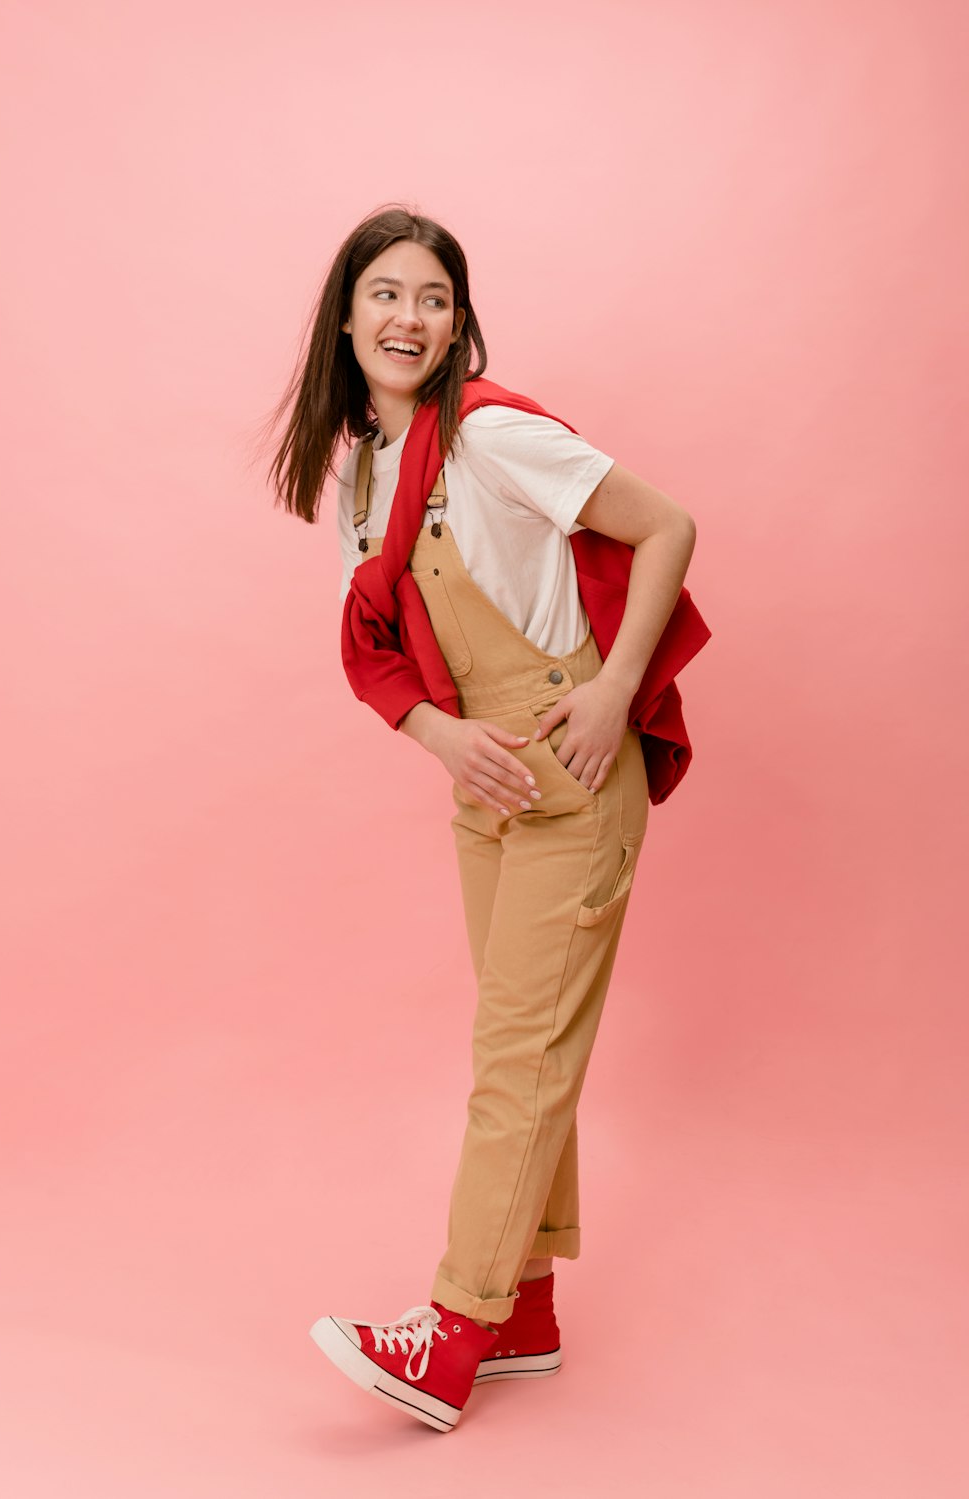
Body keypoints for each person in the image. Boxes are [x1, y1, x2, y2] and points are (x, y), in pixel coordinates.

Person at [265, 205, 700, 1433]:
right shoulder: (364, 469)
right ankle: (528, 1312)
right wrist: (443, 738)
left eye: (435, 297)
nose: (411, 317)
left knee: (519, 1055)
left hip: (567, 766)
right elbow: (382, 644)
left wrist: (616, 690)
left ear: (460, 320)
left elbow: (664, 523)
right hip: (484, 783)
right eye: (388, 294)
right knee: (518, 1048)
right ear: (346, 317)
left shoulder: (494, 435)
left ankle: (453, 1328)